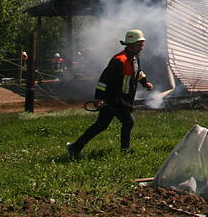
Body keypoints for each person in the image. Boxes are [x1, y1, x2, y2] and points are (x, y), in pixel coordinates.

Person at [66, 30, 154, 159]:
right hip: (115, 99)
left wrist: (145, 83)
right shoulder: (119, 60)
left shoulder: (134, 58)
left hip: (122, 99)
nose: (142, 47)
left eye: (142, 44)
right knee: (128, 121)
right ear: (131, 45)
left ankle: (74, 147)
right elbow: (104, 80)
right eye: (139, 45)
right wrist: (99, 98)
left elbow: (137, 72)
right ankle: (125, 151)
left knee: (101, 125)